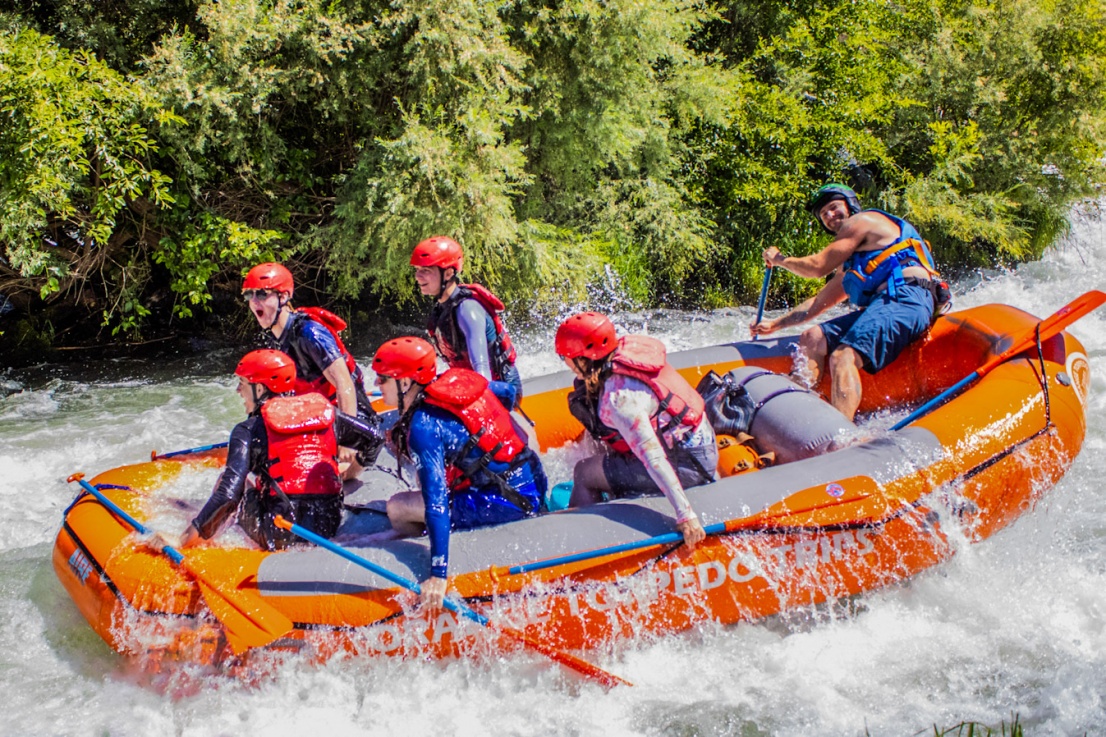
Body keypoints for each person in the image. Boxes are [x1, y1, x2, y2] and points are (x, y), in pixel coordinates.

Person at [371, 336, 546, 609]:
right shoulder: (456, 380)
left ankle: (416, 536)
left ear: (405, 383)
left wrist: (438, 575)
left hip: (507, 500)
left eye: (382, 379)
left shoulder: (423, 427)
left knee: (397, 507)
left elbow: (436, 501)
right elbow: (507, 393)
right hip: (532, 476)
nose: (376, 385)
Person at [750, 183, 948, 421]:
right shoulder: (855, 263)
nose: (830, 216)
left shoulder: (862, 222)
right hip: (885, 304)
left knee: (842, 356)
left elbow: (817, 267)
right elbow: (819, 303)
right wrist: (776, 324)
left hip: (908, 298)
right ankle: (798, 412)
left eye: (834, 208)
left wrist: (781, 259)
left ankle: (840, 434)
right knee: (812, 337)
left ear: (850, 205)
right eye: (824, 215)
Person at [177, 350, 384, 551]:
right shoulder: (328, 415)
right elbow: (375, 439)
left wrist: (182, 539)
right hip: (328, 525)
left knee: (227, 479)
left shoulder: (247, 430)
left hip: (278, 532)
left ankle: (200, 534)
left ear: (260, 389)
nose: (238, 391)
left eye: (242, 384)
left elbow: (228, 495)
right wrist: (351, 472)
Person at [555, 312, 714, 548]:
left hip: (688, 463)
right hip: (697, 441)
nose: (564, 362)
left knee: (583, 473)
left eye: (565, 357)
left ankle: (584, 544)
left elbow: (654, 457)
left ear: (583, 358)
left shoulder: (620, 400)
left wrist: (686, 516)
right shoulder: (623, 354)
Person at [242, 262, 378, 475]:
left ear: (284, 297)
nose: (254, 302)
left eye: (262, 294)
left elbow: (345, 383)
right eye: (249, 295)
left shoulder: (311, 334)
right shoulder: (276, 337)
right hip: (318, 417)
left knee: (325, 477)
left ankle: (349, 467)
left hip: (350, 419)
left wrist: (348, 439)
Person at [410, 236, 524, 403]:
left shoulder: (467, 310)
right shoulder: (441, 310)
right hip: (475, 385)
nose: (418, 277)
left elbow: (481, 368)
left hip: (501, 391)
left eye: (426, 270)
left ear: (448, 273)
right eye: (417, 270)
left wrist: (482, 405)